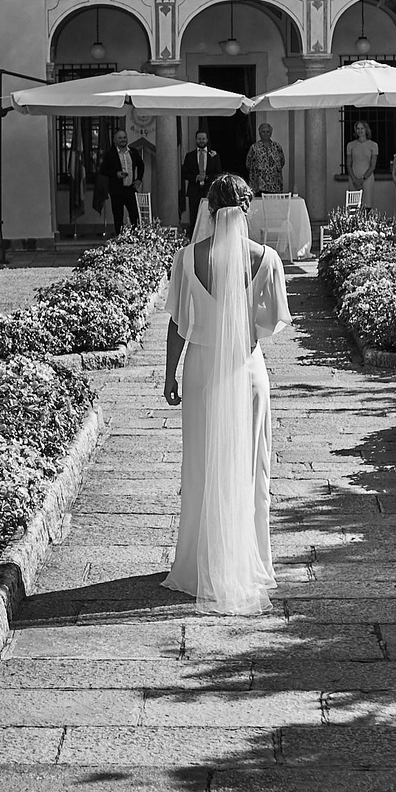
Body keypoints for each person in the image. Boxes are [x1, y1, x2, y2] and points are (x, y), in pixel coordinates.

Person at [161, 173, 286, 612]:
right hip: (247, 369)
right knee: (253, 468)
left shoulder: (186, 258)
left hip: (200, 369)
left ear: (209, 211)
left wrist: (169, 374)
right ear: (247, 209)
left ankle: (199, 563)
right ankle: (250, 559)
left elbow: (178, 323)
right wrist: (242, 327)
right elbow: (271, 322)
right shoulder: (267, 258)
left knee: (201, 464)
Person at [180, 130, 222, 232]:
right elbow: (184, 173)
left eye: (203, 138)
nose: (201, 141)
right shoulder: (189, 156)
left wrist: (206, 177)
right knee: (194, 216)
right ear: (196, 140)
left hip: (210, 191)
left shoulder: (213, 155)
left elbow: (218, 173)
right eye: (199, 138)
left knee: (210, 215)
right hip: (194, 191)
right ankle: (193, 239)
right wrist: (196, 178)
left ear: (207, 139)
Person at [105, 128, 145, 235]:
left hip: (130, 189)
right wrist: (116, 174)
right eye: (120, 138)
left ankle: (136, 237)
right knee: (118, 216)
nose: (123, 140)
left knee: (135, 215)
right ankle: (120, 238)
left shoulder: (133, 152)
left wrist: (139, 179)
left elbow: (141, 165)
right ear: (115, 140)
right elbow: (103, 170)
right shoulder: (110, 153)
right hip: (117, 190)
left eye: (124, 137)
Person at [342, 120, 380, 212]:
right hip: (353, 177)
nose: (360, 131)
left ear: (366, 130)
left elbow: (373, 165)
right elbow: (348, 164)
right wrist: (355, 179)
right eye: (358, 128)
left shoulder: (373, 145)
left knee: (366, 206)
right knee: (353, 207)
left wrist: (362, 179)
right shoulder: (351, 145)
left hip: (367, 178)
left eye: (362, 128)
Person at [244, 121, 287, 196]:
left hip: (275, 184)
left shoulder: (277, 147)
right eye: (263, 132)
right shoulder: (254, 147)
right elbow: (248, 163)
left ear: (271, 133)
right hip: (259, 185)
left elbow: (282, 161)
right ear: (259, 133)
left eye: (268, 132)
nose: (266, 134)